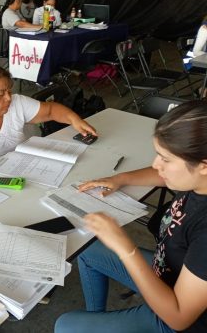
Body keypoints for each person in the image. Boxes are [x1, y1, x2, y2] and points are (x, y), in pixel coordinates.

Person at [55, 100, 207, 333]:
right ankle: (97, 322)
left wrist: (126, 248)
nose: (157, 164)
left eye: (165, 159)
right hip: (166, 271)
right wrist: (120, 179)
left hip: (178, 318)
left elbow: (179, 317)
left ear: (203, 165)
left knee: (65, 326)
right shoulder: (197, 179)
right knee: (88, 251)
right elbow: (161, 175)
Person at [0, 64, 97, 173]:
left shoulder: (17, 103)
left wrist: (75, 120)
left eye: (9, 91)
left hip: (23, 172)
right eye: (0, 94)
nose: (8, 98)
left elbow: (50, 110)